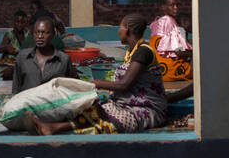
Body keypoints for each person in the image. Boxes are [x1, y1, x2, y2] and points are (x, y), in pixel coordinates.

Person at [32, 13, 168, 134]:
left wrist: (95, 83)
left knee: (112, 122)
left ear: (127, 29)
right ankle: (53, 127)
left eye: (120, 27)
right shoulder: (130, 53)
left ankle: (55, 128)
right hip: (126, 106)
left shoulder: (143, 52)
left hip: (146, 110)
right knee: (94, 109)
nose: (119, 31)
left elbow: (124, 84)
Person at [11, 16, 74, 95]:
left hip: (54, 106)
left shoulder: (64, 60)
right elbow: (16, 88)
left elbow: (72, 88)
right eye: (36, 32)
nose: (40, 36)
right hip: (27, 106)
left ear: (53, 34)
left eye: (44, 32)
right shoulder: (22, 57)